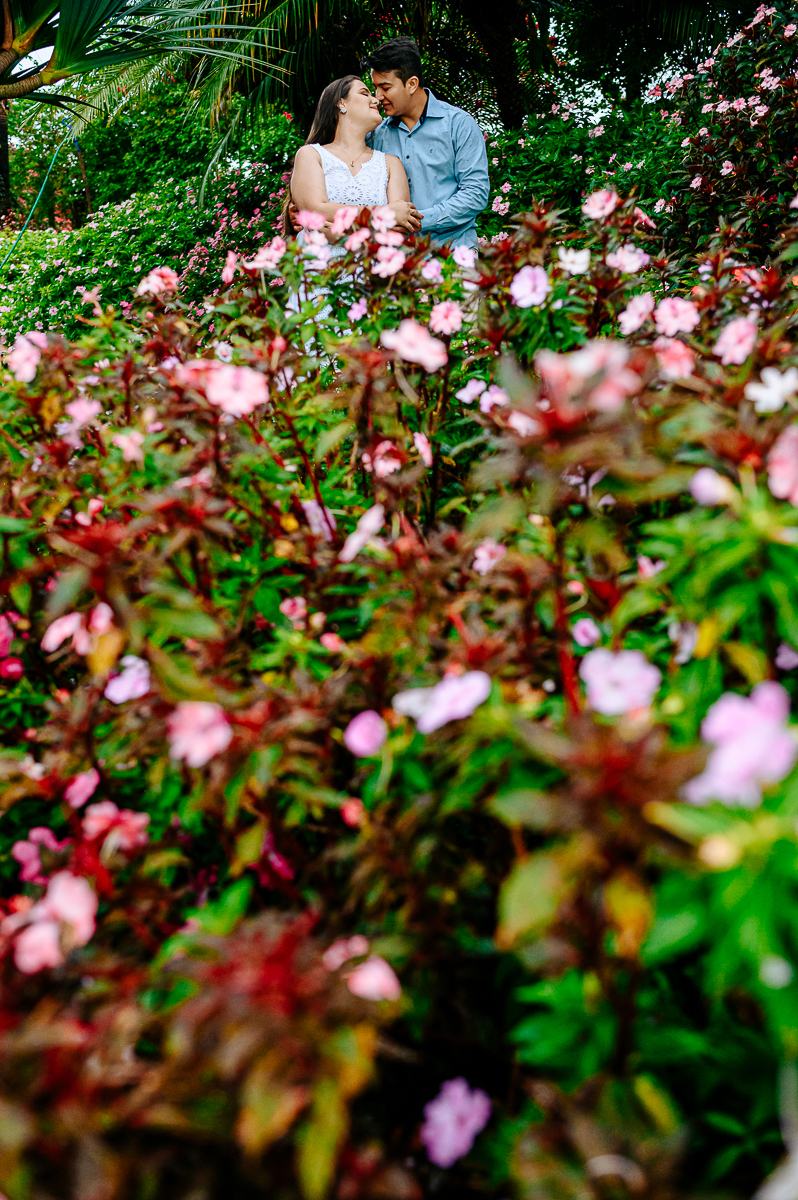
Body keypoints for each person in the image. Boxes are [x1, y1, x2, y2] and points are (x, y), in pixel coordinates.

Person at [363, 37, 490, 248]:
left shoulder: (459, 125)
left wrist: (418, 220)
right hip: (397, 261)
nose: (377, 97)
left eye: (385, 87)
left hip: (454, 253)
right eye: (375, 88)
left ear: (412, 84)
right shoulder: (375, 136)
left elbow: (475, 193)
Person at [289, 74, 422, 252]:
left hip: (373, 274)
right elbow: (315, 211)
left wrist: (343, 235)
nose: (375, 99)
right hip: (320, 274)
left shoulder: (391, 164)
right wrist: (385, 214)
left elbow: (400, 227)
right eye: (365, 93)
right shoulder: (311, 155)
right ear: (341, 103)